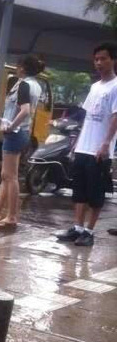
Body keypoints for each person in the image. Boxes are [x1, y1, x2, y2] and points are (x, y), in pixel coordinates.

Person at [56, 43, 117, 247]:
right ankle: (78, 228)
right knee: (79, 190)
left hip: (100, 150)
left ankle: (89, 231)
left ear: (113, 60)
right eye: (96, 59)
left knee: (95, 192)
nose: (99, 63)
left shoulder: (116, 86)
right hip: (84, 147)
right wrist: (77, 143)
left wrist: (106, 144)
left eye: (103, 58)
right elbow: (88, 116)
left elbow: (115, 118)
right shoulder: (94, 87)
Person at [0, 55, 44, 229]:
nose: (16, 68)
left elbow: (25, 111)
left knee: (10, 176)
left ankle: (12, 216)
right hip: (21, 132)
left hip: (15, 132)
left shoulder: (24, 84)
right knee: (6, 176)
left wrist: (11, 126)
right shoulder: (34, 85)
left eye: (18, 66)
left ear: (22, 67)